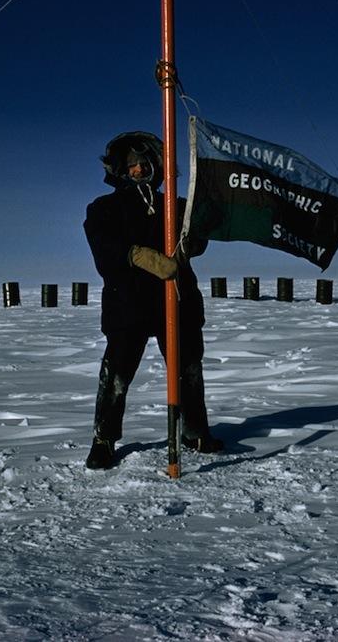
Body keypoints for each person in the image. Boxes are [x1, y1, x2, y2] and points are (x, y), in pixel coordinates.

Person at [82, 131, 224, 469]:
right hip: (127, 305)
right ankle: (104, 439)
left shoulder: (174, 205)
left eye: (145, 164)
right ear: (118, 169)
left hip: (177, 301)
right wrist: (139, 255)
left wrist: (192, 240)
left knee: (188, 370)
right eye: (132, 166)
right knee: (116, 375)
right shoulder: (103, 209)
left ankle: (194, 431)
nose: (139, 170)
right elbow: (103, 247)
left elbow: (200, 238)